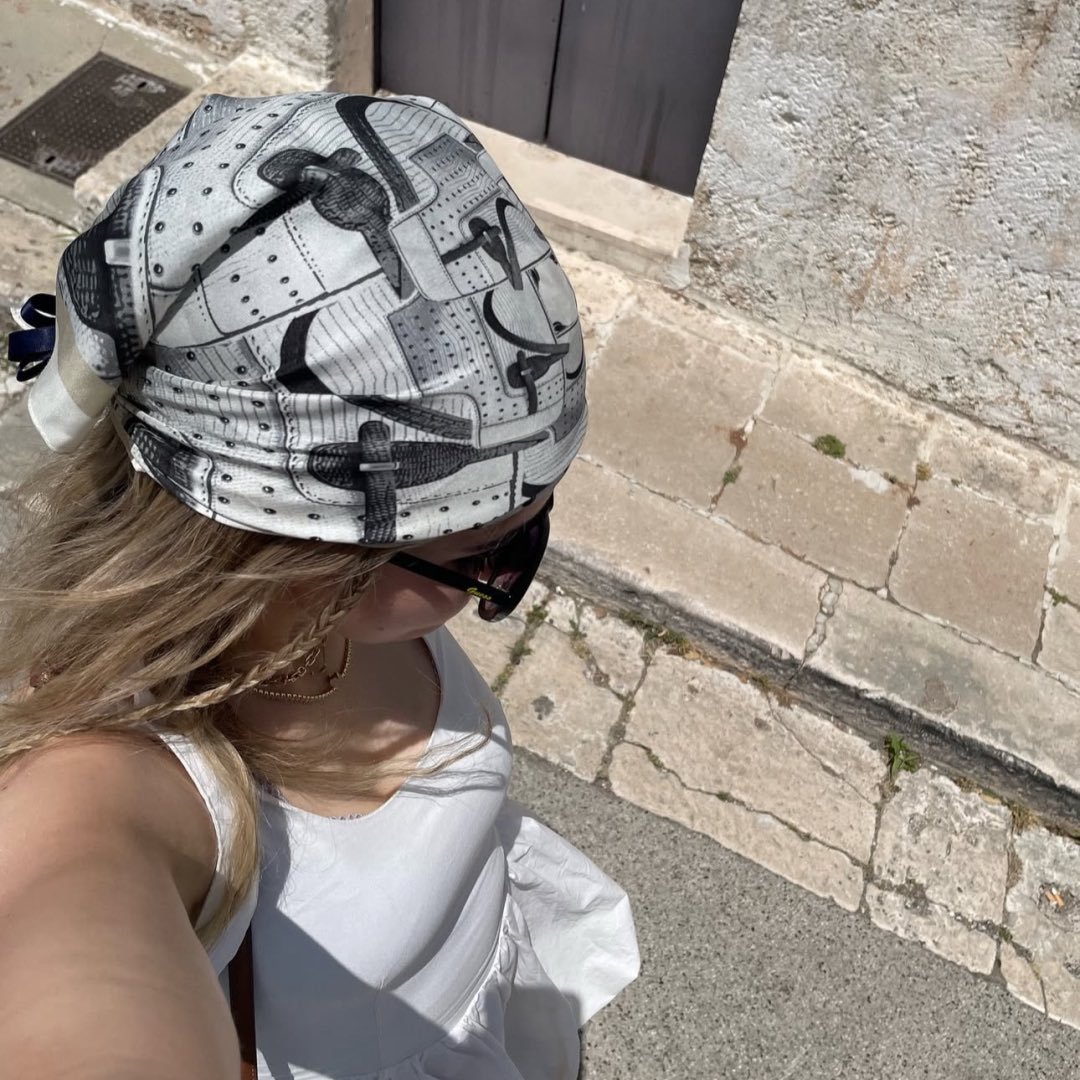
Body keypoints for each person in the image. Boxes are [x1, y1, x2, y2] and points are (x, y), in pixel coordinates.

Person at [0, 91, 639, 1080]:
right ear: (291, 544)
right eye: (489, 558)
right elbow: (67, 951)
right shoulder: (118, 783)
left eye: (533, 521)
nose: (509, 582)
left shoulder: (332, 614)